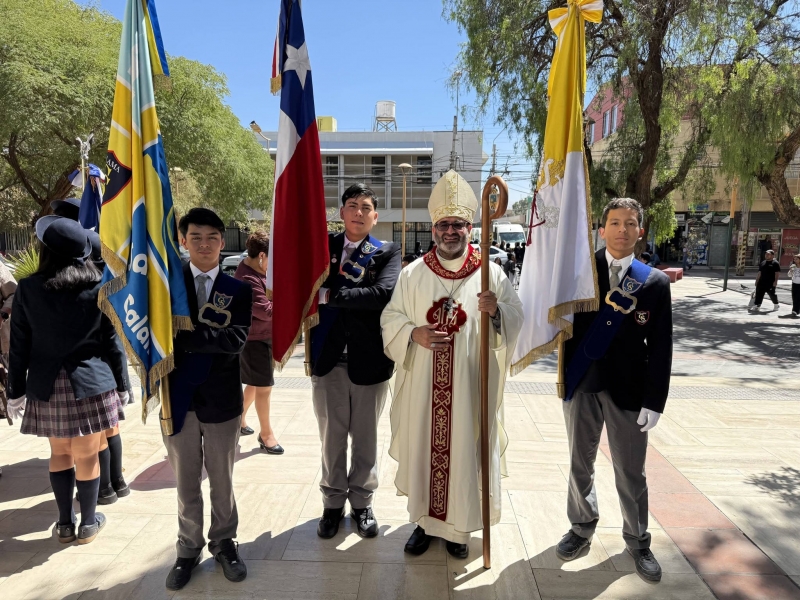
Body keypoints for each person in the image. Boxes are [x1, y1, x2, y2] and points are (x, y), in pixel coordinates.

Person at [380, 170, 523, 560]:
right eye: (444, 224)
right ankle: (424, 525)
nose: (450, 231)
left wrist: (496, 312)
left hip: (470, 387)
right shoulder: (412, 274)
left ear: (470, 227)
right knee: (426, 449)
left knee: (464, 452)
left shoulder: (489, 273)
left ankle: (460, 528)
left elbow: (516, 315)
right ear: (433, 227)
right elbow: (390, 318)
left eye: (458, 224)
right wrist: (413, 334)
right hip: (425, 386)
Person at [559, 198, 672, 583]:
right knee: (579, 464)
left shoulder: (654, 282)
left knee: (630, 471)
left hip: (629, 390)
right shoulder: (579, 272)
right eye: (614, 222)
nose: (622, 229)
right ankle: (580, 527)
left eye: (630, 223)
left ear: (640, 231)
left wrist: (654, 400)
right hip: (582, 383)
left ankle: (638, 540)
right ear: (601, 228)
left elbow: (661, 346)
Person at [7, 216, 129, 545]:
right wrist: (122, 386)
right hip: (92, 382)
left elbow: (18, 345)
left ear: (46, 251)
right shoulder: (101, 284)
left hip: (47, 385)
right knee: (87, 455)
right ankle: (88, 523)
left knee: (60, 454)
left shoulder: (29, 288)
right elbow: (112, 342)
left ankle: (64, 523)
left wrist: (14, 391)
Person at [164, 208, 253, 591]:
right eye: (195, 237)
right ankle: (188, 548)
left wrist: (184, 337)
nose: (204, 244)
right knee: (185, 482)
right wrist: (204, 338)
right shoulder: (166, 286)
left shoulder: (239, 290)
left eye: (212, 237)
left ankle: (224, 542)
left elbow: (235, 341)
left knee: (222, 480)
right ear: (183, 240)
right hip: (178, 398)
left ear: (222, 241)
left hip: (221, 401)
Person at [311, 183, 401, 540]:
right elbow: (305, 288)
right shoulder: (322, 246)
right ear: (341, 212)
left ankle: (362, 504)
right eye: (352, 205)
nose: (359, 212)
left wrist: (331, 293)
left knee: (365, 438)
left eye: (366, 207)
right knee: (332, 437)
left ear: (375, 217)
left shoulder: (388, 251)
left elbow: (383, 294)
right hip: (328, 360)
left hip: (370, 361)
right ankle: (332, 504)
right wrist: (346, 296)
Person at [233, 231, 282, 453]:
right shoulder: (248, 278)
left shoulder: (254, 271)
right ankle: (266, 435)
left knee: (254, 384)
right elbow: (267, 311)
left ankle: (239, 421)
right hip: (255, 341)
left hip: (260, 338)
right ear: (262, 255)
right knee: (264, 388)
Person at [749, 249, 781, 314]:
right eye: (766, 254)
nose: (766, 255)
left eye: (768, 254)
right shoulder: (763, 262)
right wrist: (757, 280)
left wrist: (775, 282)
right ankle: (757, 305)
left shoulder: (775, 263)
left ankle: (776, 304)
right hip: (761, 281)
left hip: (770, 282)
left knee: (772, 294)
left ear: (772, 255)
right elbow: (759, 272)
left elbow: (777, 273)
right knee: (759, 294)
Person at [779, 254, 800, 318]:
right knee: (794, 297)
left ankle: (796, 310)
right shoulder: (793, 266)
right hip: (794, 283)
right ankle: (795, 310)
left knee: (798, 297)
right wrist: (791, 271)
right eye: (794, 259)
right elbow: (789, 275)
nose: (795, 260)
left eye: (796, 259)